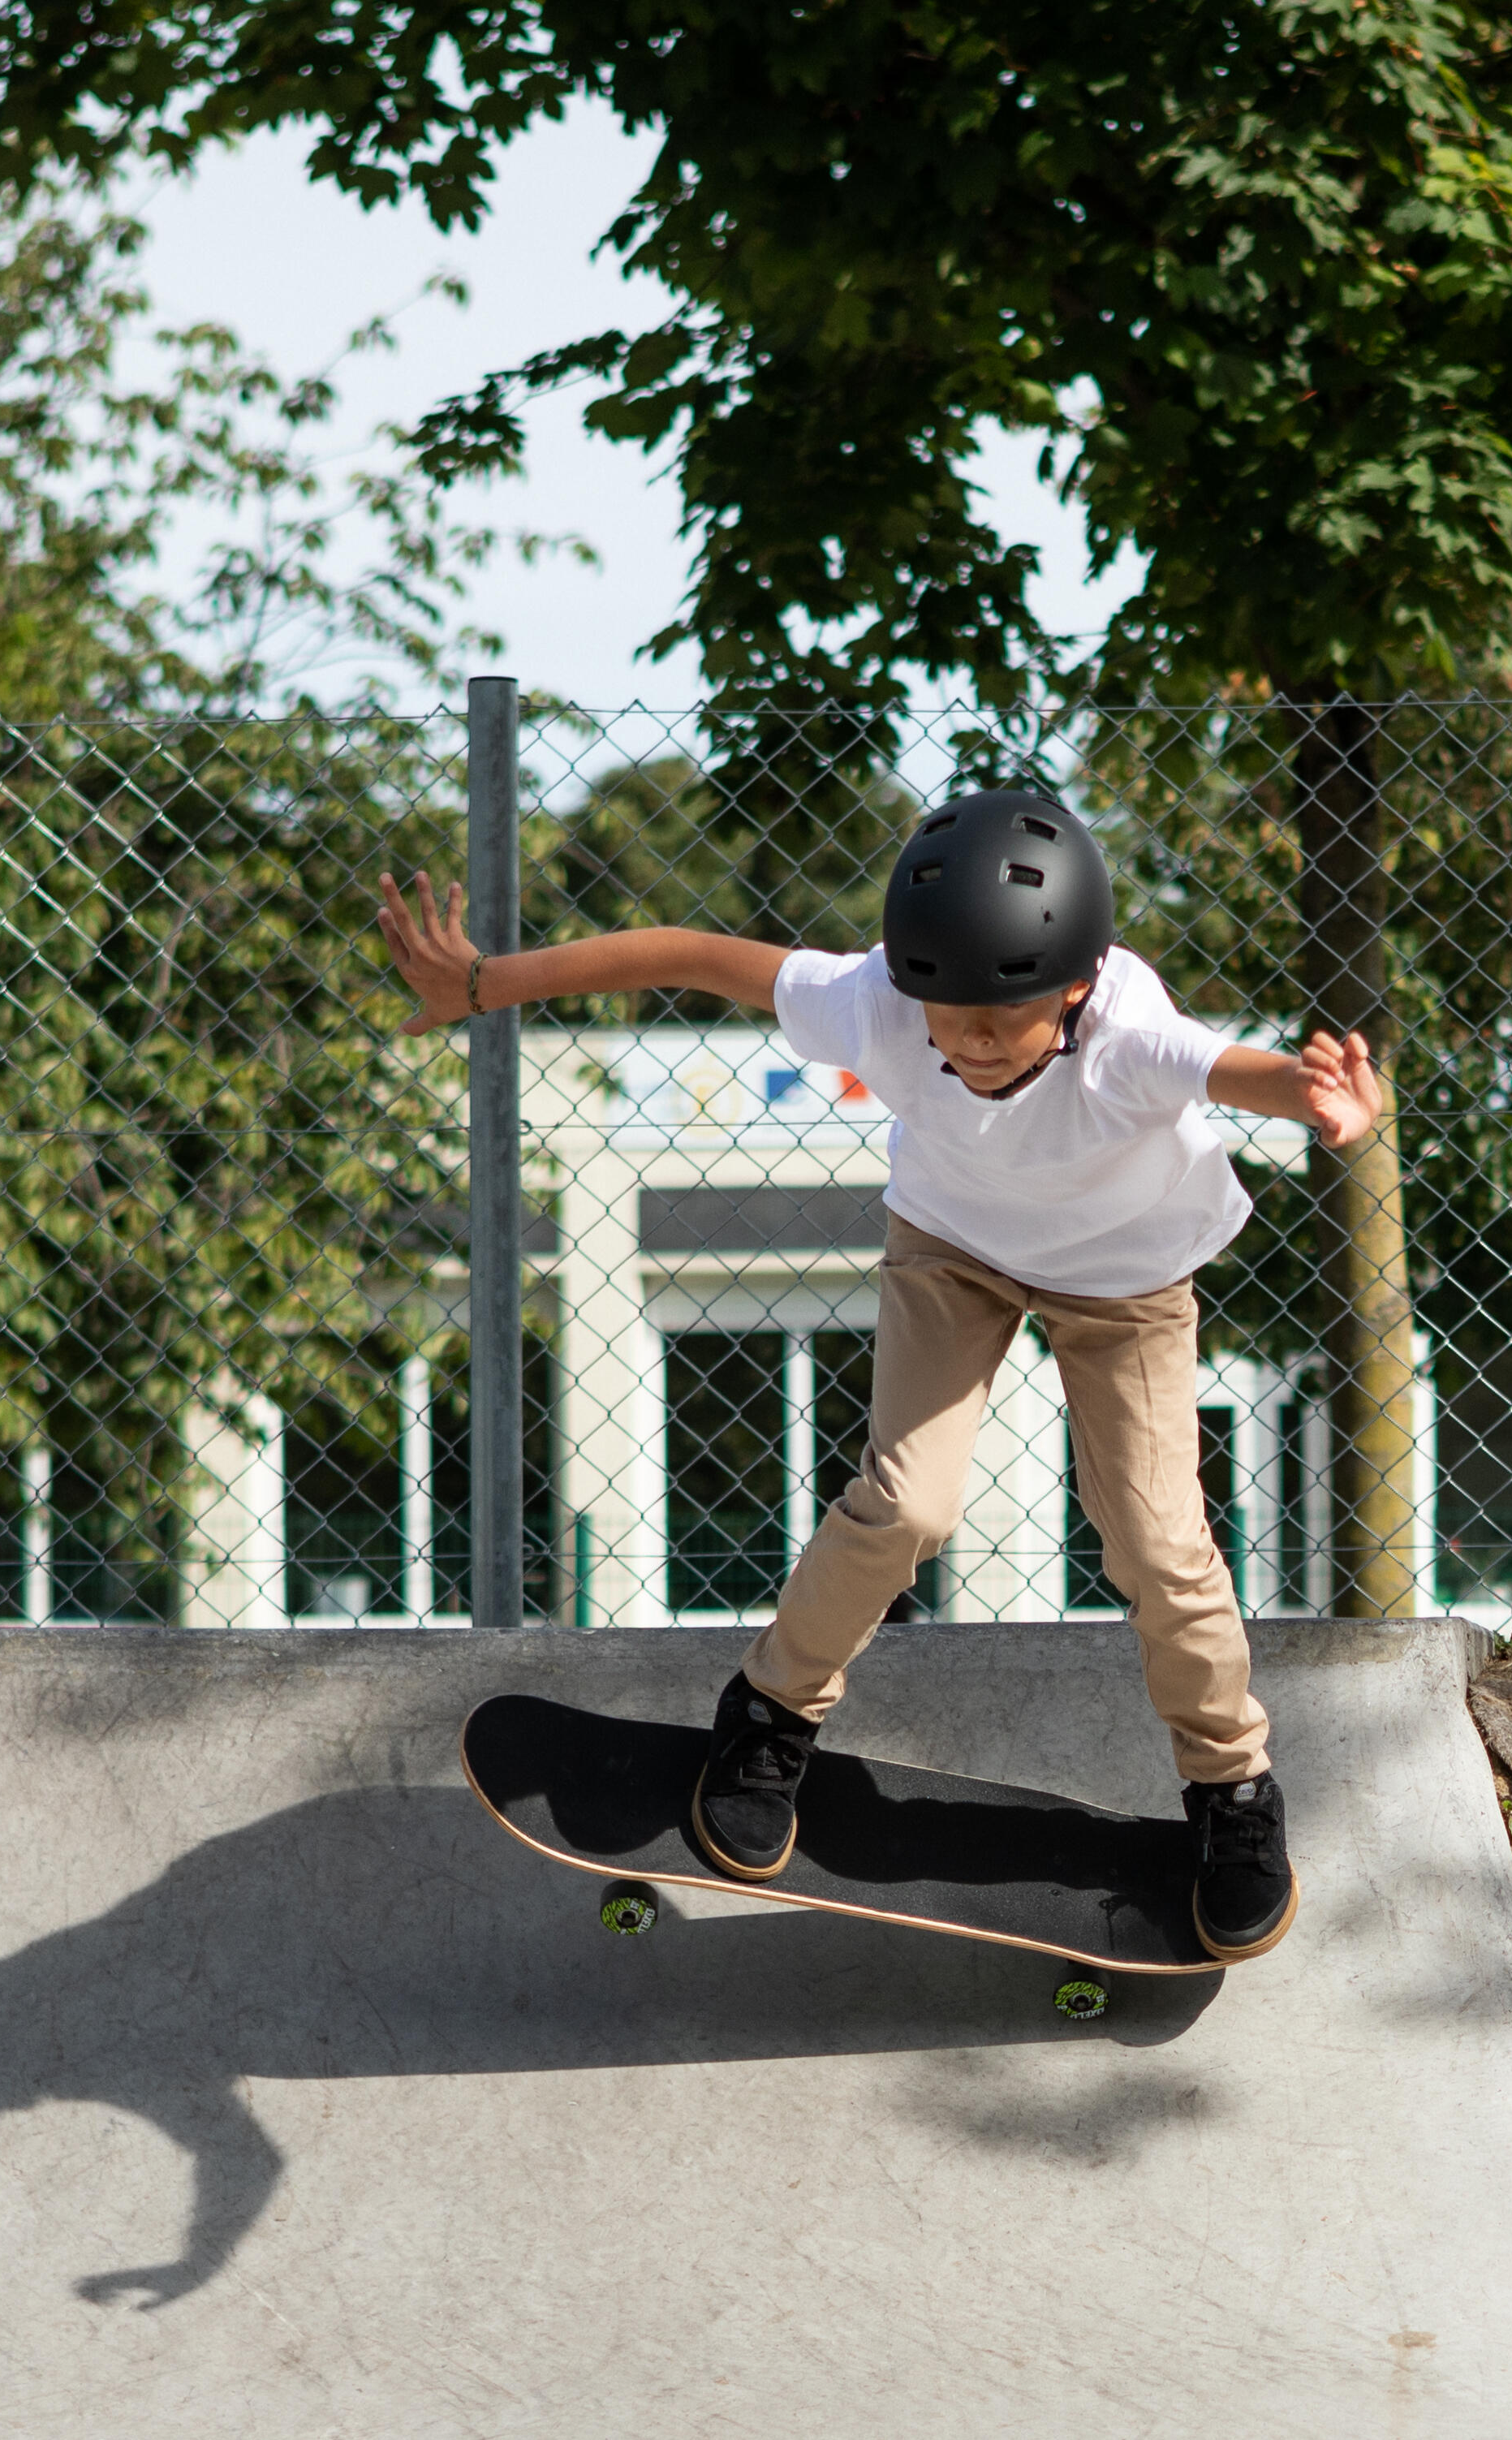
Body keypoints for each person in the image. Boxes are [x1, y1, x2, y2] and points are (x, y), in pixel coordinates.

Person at [376, 789, 1378, 1959]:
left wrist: (1322, 1101)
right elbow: (695, 957)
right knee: (907, 1502)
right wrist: (482, 987)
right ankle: (767, 1715)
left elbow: (1239, 1073)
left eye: (998, 1025)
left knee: (1157, 1542)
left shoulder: (1131, 1043)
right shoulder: (880, 1003)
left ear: (1072, 986)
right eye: (946, 1019)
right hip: (953, 1252)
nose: (966, 1045)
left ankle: (1232, 1793)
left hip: (1124, 1283)